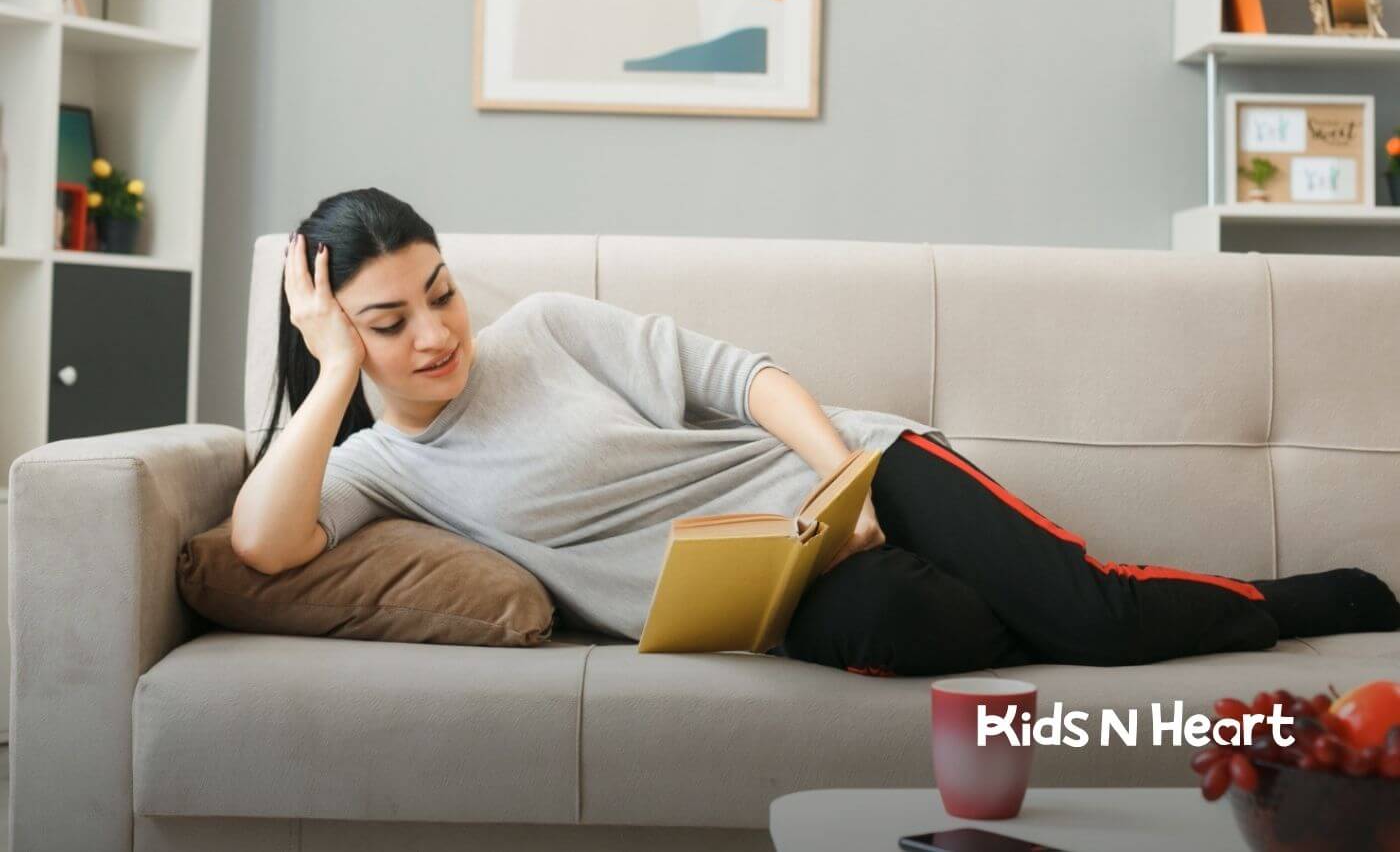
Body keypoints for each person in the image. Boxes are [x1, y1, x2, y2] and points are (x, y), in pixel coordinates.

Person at [233, 188, 1400, 678]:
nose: (438, 331)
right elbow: (265, 548)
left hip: (861, 477)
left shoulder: (542, 328)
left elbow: (741, 378)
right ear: (337, 327)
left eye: (441, 291)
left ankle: (1339, 597)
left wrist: (840, 481)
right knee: (911, 624)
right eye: (391, 320)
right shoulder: (378, 466)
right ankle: (1028, 592)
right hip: (778, 598)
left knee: (1093, 622)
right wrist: (336, 370)